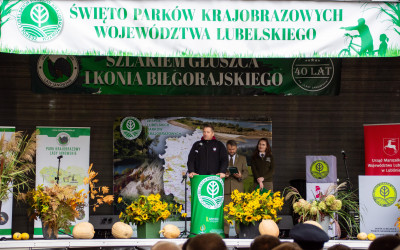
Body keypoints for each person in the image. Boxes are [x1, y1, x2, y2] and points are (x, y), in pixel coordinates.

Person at [223, 139, 248, 238]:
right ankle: (226, 234)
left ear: (236, 148)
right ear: (227, 148)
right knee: (226, 213)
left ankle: (238, 234)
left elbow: (246, 172)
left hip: (238, 190)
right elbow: (218, 170)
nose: (231, 151)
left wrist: (241, 175)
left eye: (233, 149)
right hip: (226, 189)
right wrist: (223, 175)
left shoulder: (242, 158)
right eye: (229, 149)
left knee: (238, 213)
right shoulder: (223, 158)